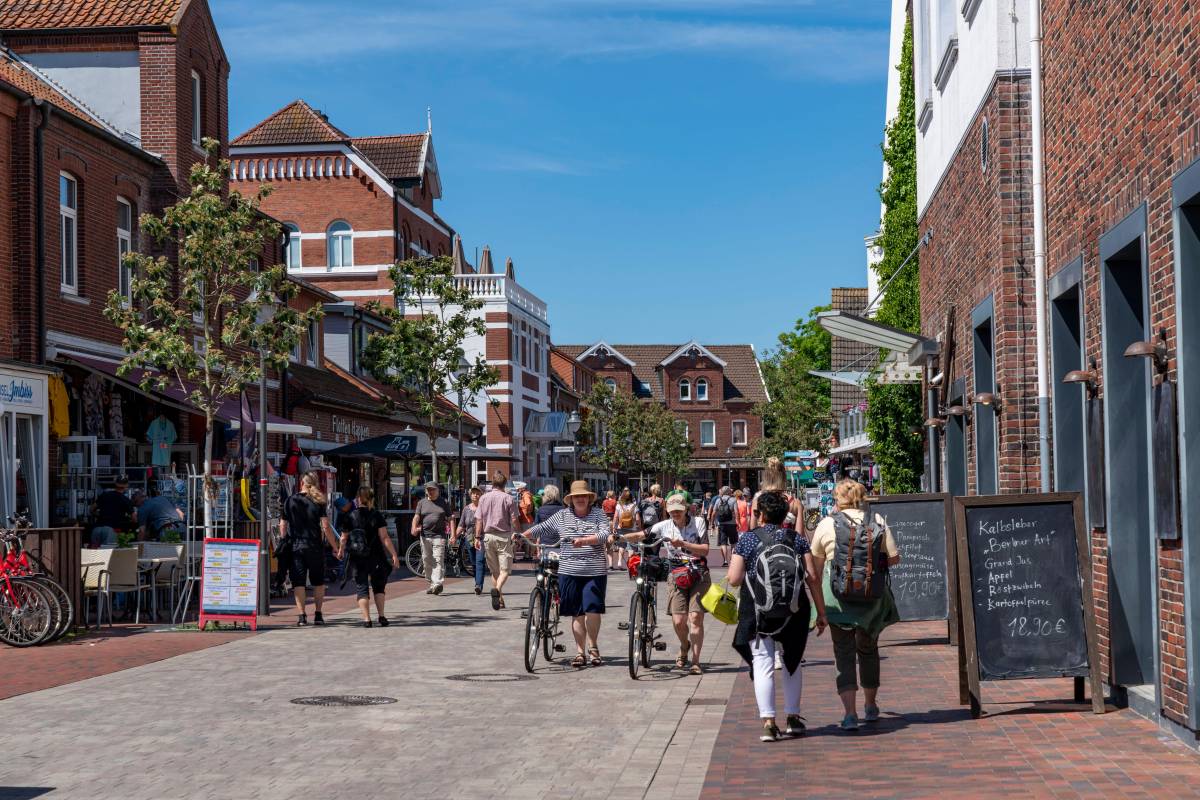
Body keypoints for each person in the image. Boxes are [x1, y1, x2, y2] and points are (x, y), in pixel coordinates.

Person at [727, 491, 827, 742]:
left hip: (758, 610)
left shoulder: (748, 540)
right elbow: (812, 577)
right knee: (792, 662)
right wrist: (821, 612)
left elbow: (734, 578)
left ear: (759, 514)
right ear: (786, 515)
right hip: (794, 610)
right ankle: (793, 717)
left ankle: (769, 723)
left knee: (763, 663)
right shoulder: (797, 539)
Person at [810, 479, 901, 731]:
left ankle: (850, 714)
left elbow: (815, 570)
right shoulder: (878, 521)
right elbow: (894, 558)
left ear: (838, 499)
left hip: (837, 600)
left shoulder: (827, 524)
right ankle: (870, 706)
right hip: (871, 600)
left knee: (843, 653)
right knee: (869, 650)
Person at [522, 480, 612, 668]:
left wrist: (585, 541)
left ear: (589, 498)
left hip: (593, 570)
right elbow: (543, 527)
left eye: (583, 496)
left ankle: (593, 647)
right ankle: (580, 652)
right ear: (571, 499)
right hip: (569, 571)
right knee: (576, 613)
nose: (580, 499)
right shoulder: (562, 515)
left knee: (592, 610)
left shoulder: (598, 514)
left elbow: (605, 534)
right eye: (576, 496)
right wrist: (523, 535)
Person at [622, 495, 711, 674]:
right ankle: (684, 645)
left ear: (686, 508)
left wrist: (684, 544)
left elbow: (706, 550)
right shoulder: (663, 526)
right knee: (679, 621)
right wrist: (620, 537)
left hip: (698, 572)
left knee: (695, 617)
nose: (676, 513)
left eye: (679, 510)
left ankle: (695, 661)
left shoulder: (699, 522)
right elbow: (642, 534)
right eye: (672, 511)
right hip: (676, 574)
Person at [280, 472, 341, 626]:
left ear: (301, 483)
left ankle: (301, 616)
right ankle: (318, 615)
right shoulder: (318, 502)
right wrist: (335, 547)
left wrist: (284, 539)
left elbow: (283, 524)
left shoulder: (289, 500)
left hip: (296, 547)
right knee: (318, 582)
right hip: (314, 546)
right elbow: (326, 526)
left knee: (298, 582)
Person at [338, 487, 400, 628]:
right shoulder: (376, 515)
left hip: (357, 556)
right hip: (376, 555)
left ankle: (367, 620)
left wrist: (341, 551)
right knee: (379, 587)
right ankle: (382, 616)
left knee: (362, 587)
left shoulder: (350, 516)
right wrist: (394, 554)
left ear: (358, 498)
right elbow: (384, 537)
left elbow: (343, 538)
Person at [476, 471, 519, 610]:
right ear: (505, 483)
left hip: (488, 536)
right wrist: (518, 533)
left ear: (492, 483)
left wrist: (477, 537)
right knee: (505, 570)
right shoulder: (508, 498)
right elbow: (514, 519)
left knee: (495, 571)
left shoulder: (483, 498)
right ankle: (498, 589)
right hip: (503, 536)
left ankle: (500, 599)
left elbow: (479, 520)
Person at [412, 482, 455, 595]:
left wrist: (453, 534)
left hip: (439, 536)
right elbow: (416, 517)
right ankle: (432, 583)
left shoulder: (444, 502)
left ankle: (437, 583)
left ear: (437, 490)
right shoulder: (422, 503)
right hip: (425, 535)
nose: (430, 491)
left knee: (438, 559)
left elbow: (450, 518)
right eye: (428, 489)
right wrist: (414, 527)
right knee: (426, 560)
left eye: (432, 489)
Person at [90, 476, 133, 547]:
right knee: (107, 555)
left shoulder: (105, 495)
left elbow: (91, 509)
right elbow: (134, 518)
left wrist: (98, 514)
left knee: (94, 556)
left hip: (97, 529)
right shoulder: (125, 500)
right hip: (111, 530)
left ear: (115, 484)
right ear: (126, 486)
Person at [459, 487, 485, 596]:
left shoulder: (484, 508)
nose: (475, 495)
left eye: (477, 493)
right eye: (473, 493)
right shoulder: (466, 509)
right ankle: (477, 582)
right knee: (473, 562)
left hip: (482, 538)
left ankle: (478, 585)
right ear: (470, 496)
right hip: (469, 539)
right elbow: (461, 525)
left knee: (479, 561)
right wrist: (454, 537)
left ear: (481, 495)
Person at [709, 486, 739, 567]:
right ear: (729, 492)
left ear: (722, 492)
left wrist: (711, 523)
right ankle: (732, 559)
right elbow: (736, 512)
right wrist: (738, 522)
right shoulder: (733, 500)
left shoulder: (719, 500)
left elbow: (714, 513)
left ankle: (725, 560)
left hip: (722, 524)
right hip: (732, 524)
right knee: (733, 542)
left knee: (723, 543)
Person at [610, 488, 639, 571]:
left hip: (621, 528)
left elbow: (615, 517)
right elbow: (637, 519)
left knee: (621, 545)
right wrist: (638, 527)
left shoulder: (619, 506)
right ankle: (630, 564)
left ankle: (619, 562)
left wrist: (614, 527)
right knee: (631, 547)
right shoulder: (634, 506)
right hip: (632, 528)